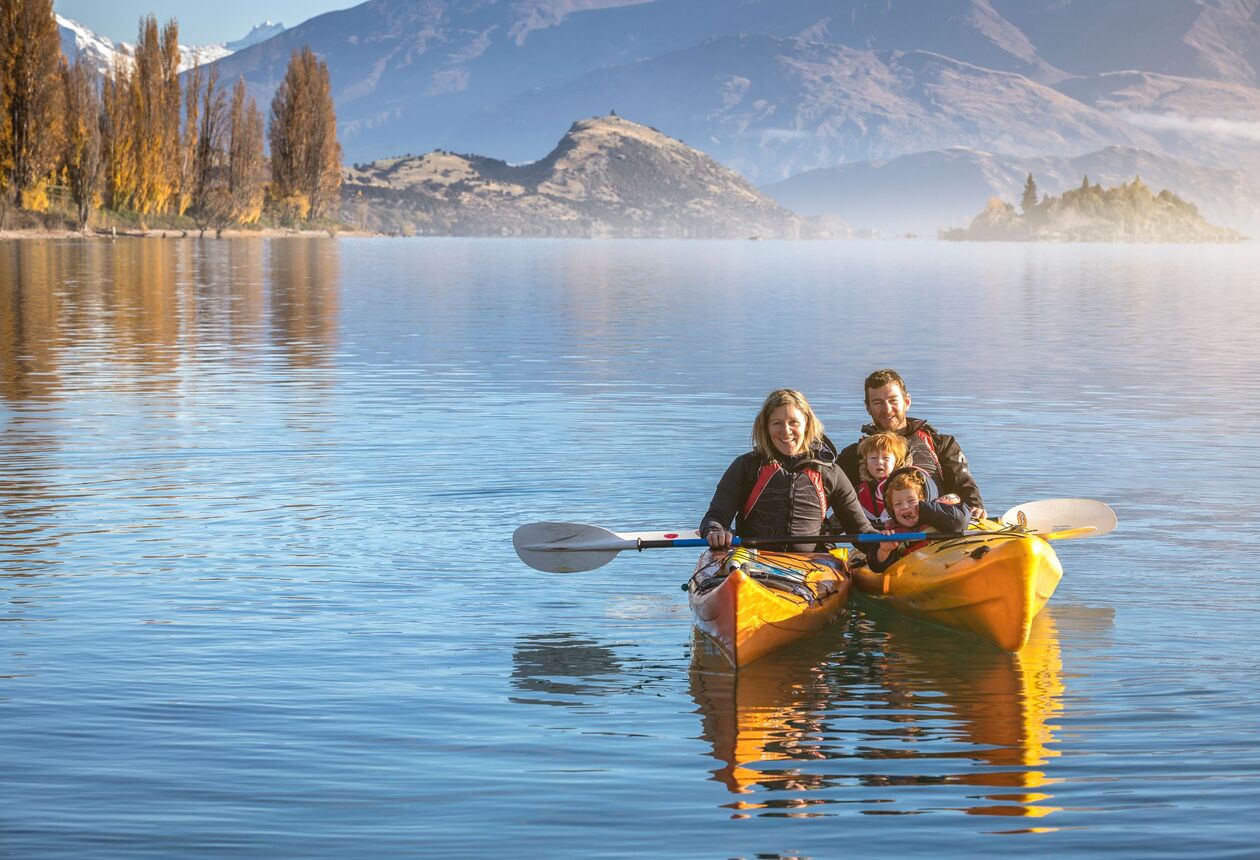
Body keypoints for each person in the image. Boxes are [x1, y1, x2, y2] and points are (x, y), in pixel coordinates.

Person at [701, 389, 879, 553]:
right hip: (753, 564)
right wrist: (716, 531)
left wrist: (884, 546)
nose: (786, 431)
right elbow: (715, 517)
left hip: (812, 568)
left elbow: (860, 530)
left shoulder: (830, 472)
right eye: (777, 423)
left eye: (794, 422)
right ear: (766, 428)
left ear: (807, 425)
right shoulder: (746, 466)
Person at [838, 369, 986, 520]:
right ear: (868, 407)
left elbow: (964, 485)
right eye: (878, 402)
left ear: (907, 402)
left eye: (893, 400)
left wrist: (975, 506)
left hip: (936, 533)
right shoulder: (853, 455)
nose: (887, 409)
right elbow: (827, 495)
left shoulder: (941, 445)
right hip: (880, 537)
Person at [867, 470, 969, 573]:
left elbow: (960, 522)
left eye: (911, 501)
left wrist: (925, 510)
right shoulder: (893, 532)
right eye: (898, 504)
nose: (905, 507)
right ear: (892, 509)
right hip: (916, 570)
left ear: (925, 502)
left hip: (948, 559)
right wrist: (884, 550)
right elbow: (876, 566)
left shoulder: (940, 516)